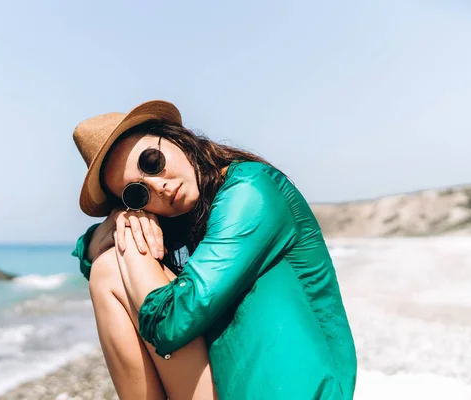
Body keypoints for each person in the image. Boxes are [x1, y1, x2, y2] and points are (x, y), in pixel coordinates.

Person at [70, 100, 357, 399]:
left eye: (152, 162)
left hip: (297, 391)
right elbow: (89, 260)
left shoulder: (251, 191)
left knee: (116, 265)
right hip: (233, 387)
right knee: (107, 269)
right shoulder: (181, 221)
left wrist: (127, 232)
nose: (159, 186)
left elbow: (171, 322)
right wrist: (120, 220)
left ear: (173, 137)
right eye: (138, 193)